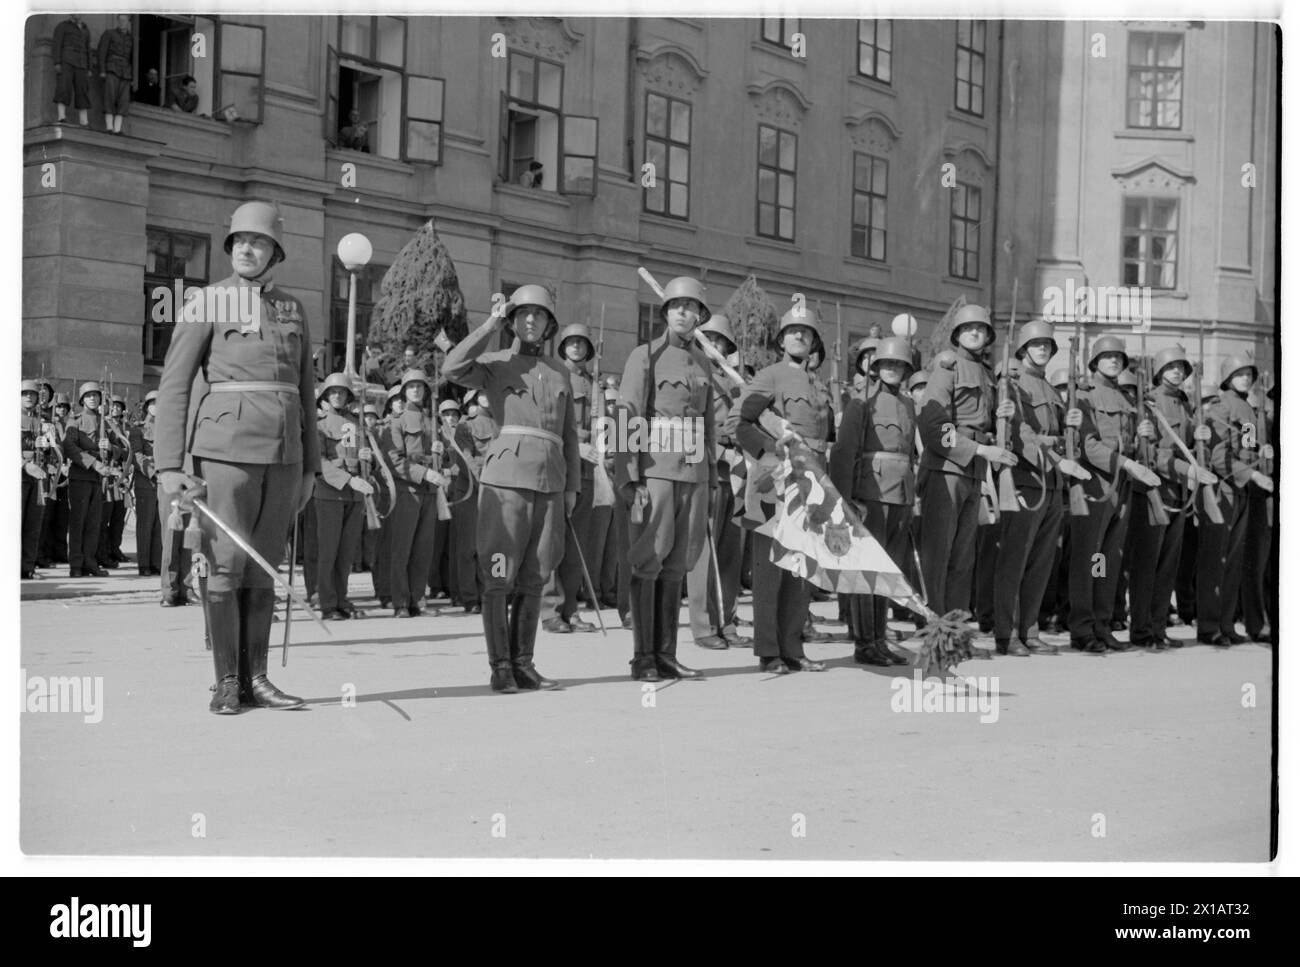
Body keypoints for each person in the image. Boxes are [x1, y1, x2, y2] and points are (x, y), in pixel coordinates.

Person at [154, 200, 320, 714]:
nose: (247, 249)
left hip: (284, 455)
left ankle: (258, 679)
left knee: (264, 567)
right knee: (225, 565)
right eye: (239, 241)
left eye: (258, 241)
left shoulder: (293, 309)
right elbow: (175, 383)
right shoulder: (207, 301)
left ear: (276, 252)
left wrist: (310, 466)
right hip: (225, 452)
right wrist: (169, 465)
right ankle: (227, 680)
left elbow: (306, 390)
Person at [443, 285, 579, 692]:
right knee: (499, 573)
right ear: (512, 320)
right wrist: (490, 324)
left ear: (550, 324)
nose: (531, 320)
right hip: (506, 483)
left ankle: (524, 663)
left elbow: (569, 434)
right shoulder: (496, 362)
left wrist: (571, 487)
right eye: (523, 314)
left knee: (536, 574)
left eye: (539, 314)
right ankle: (500, 666)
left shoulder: (560, 372)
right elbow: (452, 367)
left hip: (550, 483)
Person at [615, 278, 717, 681]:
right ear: (666, 312)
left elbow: (707, 425)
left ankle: (666, 654)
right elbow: (627, 413)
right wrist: (628, 475)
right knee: (650, 558)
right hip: (655, 468)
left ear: (700, 316)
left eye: (690, 306)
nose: (682, 312)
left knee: (678, 563)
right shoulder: (645, 355)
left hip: (693, 472)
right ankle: (643, 657)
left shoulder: (704, 363)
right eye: (676, 305)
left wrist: (708, 478)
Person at [734, 307, 833, 674]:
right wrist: (770, 452)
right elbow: (738, 422)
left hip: (812, 481)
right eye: (792, 331)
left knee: (802, 568)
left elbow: (825, 440)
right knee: (770, 568)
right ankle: (769, 650)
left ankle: (793, 647)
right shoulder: (769, 376)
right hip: (775, 480)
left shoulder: (820, 386)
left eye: (806, 332)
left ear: (814, 342)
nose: (799, 336)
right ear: (781, 339)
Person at [992, 322, 1090, 656]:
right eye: (1036, 344)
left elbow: (1059, 437)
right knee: (1014, 561)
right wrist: (1057, 460)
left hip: (1051, 485)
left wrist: (1071, 430)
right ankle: (1006, 634)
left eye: (1047, 345)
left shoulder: (1051, 389)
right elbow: (1020, 433)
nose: (1043, 349)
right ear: (1022, 349)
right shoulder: (1012, 383)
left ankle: (1029, 630)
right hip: (1026, 478)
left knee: (1041, 563)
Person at [916, 305, 1017, 617]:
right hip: (946, 469)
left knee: (963, 557)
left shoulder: (986, 375)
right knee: (938, 554)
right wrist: (979, 450)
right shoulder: (947, 367)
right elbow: (934, 426)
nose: (975, 332)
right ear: (957, 334)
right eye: (968, 328)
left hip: (974, 473)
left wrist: (1003, 418)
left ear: (988, 336)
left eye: (981, 328)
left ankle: (956, 625)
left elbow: (984, 424)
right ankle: (935, 625)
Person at [1067, 335, 1159, 653]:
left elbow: (1135, 445)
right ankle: (1082, 629)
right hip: (1095, 486)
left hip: (1121, 487)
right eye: (1107, 356)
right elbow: (1088, 446)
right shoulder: (1084, 396)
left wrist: (1145, 434)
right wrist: (1128, 463)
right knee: (1089, 558)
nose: (1114, 361)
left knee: (1105, 558)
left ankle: (1102, 624)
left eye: (1118, 357)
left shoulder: (1127, 399)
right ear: (1095, 362)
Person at [828, 337, 916, 666]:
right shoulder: (861, 403)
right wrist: (846, 499)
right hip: (871, 494)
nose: (892, 368)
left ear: (907, 369)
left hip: (900, 495)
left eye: (899, 364)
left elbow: (910, 453)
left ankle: (880, 638)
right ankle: (865, 642)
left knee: (888, 570)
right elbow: (844, 453)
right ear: (876, 367)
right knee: (867, 570)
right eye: (887, 363)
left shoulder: (908, 405)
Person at [1197, 355, 1271, 645]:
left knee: (1233, 563)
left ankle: (1226, 624)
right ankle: (1209, 626)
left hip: (1241, 490)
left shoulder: (1247, 409)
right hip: (1223, 489)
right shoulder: (1221, 406)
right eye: (1239, 374)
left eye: (1248, 374)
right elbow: (1218, 456)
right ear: (1228, 377)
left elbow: (1246, 449)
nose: (1245, 378)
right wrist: (1253, 475)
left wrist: (1260, 454)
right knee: (1215, 561)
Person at [686, 314, 749, 650]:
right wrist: (719, 453)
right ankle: (704, 625)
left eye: (720, 341)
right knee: (704, 552)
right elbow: (690, 426)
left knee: (730, 553)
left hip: (737, 473)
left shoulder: (737, 382)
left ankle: (728, 620)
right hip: (709, 468)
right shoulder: (695, 375)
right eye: (709, 339)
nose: (714, 345)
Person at [543, 322, 599, 633]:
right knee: (554, 542)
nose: (576, 346)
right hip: (563, 467)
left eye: (582, 342)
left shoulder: (594, 383)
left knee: (577, 546)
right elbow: (552, 421)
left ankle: (571, 610)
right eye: (571, 342)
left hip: (588, 472)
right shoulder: (554, 376)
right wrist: (580, 445)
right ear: (562, 346)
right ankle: (551, 610)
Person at [385, 369, 448, 619]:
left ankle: (417, 599)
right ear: (404, 392)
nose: (415, 390)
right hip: (408, 490)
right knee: (402, 548)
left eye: (419, 386)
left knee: (423, 549)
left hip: (430, 492)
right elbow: (395, 460)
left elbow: (447, 458)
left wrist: (442, 452)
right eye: (411, 387)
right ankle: (401, 601)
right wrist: (424, 473)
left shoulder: (433, 422)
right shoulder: (397, 421)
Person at [314, 373, 374, 620]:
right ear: (326, 396)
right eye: (333, 392)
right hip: (330, 493)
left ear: (349, 396)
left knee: (346, 552)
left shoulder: (355, 424)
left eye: (342, 392)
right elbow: (319, 462)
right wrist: (349, 479)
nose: (337, 395)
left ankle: (342, 599)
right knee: (329, 552)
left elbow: (356, 456)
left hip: (355, 495)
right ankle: (328, 604)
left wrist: (367, 460)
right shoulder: (320, 425)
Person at [61, 381, 120, 578]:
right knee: (78, 522)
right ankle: (76, 565)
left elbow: (122, 449)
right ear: (82, 399)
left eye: (95, 395)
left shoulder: (106, 423)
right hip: (80, 477)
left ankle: (90, 563)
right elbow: (70, 448)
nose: (92, 398)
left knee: (94, 524)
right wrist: (94, 463)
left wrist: (110, 448)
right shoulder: (75, 421)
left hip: (99, 480)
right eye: (88, 396)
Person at [21, 381, 57, 579]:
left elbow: (54, 453)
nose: (29, 397)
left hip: (37, 479)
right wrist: (24, 465)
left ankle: (27, 567)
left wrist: (48, 443)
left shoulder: (42, 421)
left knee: (33, 525)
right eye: (24, 393)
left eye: (32, 394)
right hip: (18, 477)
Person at [129, 390, 163, 577]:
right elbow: (137, 456)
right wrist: (153, 472)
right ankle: (144, 564)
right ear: (147, 407)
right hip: (146, 482)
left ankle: (156, 563)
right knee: (145, 524)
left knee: (159, 524)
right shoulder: (138, 429)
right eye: (153, 403)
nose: (156, 406)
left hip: (164, 481)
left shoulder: (167, 429)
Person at [52, 15, 92, 126]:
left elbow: (88, 49)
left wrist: (89, 67)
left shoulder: (85, 29)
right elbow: (57, 44)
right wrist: (57, 62)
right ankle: (61, 116)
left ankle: (84, 121)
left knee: (83, 90)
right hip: (67, 61)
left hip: (82, 63)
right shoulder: (63, 26)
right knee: (64, 88)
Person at [97, 14, 134, 134]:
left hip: (126, 72)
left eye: (125, 20)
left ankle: (117, 129)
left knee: (123, 101)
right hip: (112, 68)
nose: (122, 22)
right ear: (117, 21)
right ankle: (109, 127)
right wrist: (102, 70)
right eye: (120, 20)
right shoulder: (109, 33)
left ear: (128, 22)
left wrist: (133, 76)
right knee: (110, 97)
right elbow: (102, 52)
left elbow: (133, 58)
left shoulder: (131, 38)